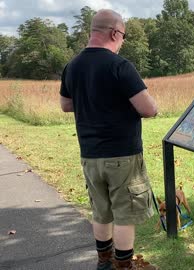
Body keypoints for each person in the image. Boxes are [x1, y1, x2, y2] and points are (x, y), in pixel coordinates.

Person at [60, 9, 158, 270]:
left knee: (100, 211)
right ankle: (123, 266)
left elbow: (65, 105)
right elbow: (149, 109)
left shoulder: (73, 65)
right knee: (125, 215)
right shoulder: (120, 66)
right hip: (123, 155)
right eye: (123, 36)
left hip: (90, 155)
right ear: (114, 33)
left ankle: (104, 262)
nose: (123, 41)